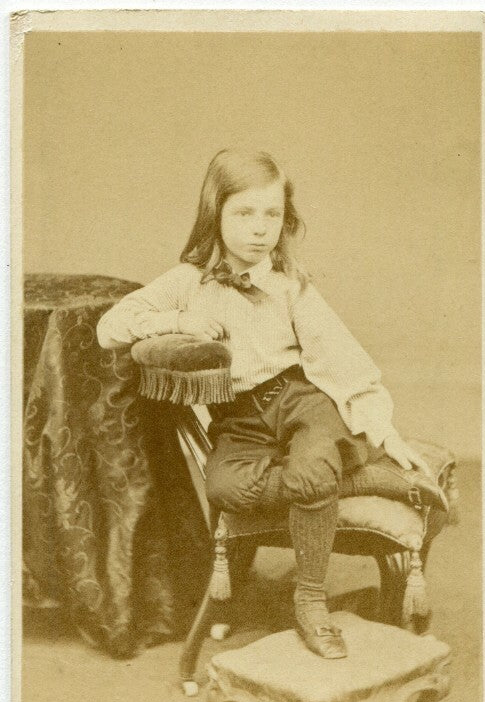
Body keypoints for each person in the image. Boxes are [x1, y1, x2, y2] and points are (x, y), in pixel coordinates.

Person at [97, 148, 431, 659]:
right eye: (244, 213)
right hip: (241, 418)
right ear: (215, 212)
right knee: (227, 486)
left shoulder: (289, 282)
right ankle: (358, 473)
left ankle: (311, 600)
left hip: (302, 401)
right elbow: (111, 327)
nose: (260, 228)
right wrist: (177, 321)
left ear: (285, 218)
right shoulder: (189, 282)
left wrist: (384, 430)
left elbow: (340, 357)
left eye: (272, 214)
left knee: (312, 461)